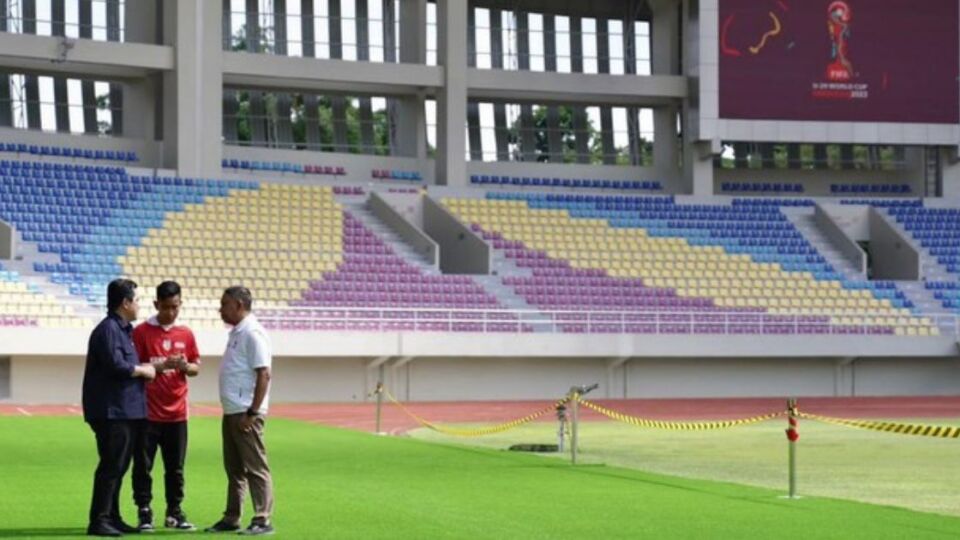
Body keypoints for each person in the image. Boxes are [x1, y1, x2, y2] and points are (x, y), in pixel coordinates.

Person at [82, 279, 156, 537]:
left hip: (125, 410)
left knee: (119, 466)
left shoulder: (123, 330)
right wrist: (143, 369)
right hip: (113, 411)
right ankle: (99, 519)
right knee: (112, 466)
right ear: (125, 303)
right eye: (136, 300)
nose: (138, 305)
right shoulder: (109, 330)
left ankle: (112, 516)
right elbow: (116, 365)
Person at [205, 286, 275, 535]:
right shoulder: (237, 332)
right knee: (234, 468)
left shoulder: (253, 333)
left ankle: (262, 518)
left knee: (255, 466)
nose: (220, 309)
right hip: (232, 411)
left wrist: (253, 412)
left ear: (238, 305)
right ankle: (232, 517)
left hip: (245, 413)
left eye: (224, 304)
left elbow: (264, 373)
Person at [131, 281, 201, 531]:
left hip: (178, 413)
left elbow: (195, 367)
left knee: (176, 469)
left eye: (175, 306)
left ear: (180, 304)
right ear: (156, 304)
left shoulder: (186, 333)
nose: (171, 312)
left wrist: (184, 367)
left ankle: (174, 512)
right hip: (147, 412)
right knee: (143, 466)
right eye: (166, 307)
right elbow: (135, 368)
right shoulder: (141, 333)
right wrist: (160, 366)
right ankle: (144, 511)